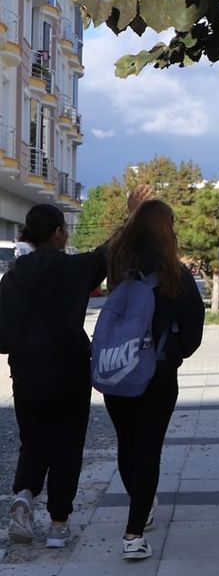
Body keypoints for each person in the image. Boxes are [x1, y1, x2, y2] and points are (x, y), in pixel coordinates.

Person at [0, 203, 112, 548]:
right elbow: (105, 255)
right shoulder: (72, 268)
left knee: (33, 440)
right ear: (58, 233)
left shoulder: (12, 277)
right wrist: (134, 215)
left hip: (27, 373)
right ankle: (59, 525)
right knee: (67, 446)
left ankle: (23, 495)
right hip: (68, 371)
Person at [103, 199, 204, 560]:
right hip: (158, 375)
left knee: (127, 445)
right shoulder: (175, 274)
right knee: (148, 449)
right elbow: (193, 334)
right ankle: (133, 533)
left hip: (117, 369)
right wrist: (173, 351)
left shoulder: (118, 266)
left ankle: (140, 508)